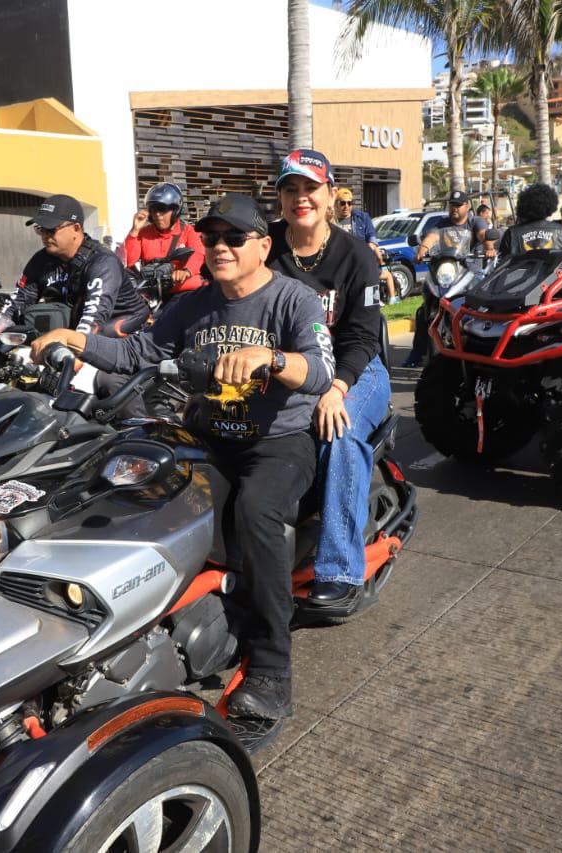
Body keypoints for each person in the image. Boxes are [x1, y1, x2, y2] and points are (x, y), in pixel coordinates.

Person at [30, 192, 335, 721]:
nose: (220, 247)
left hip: (277, 443)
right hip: (207, 437)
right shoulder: (192, 304)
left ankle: (271, 668)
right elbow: (136, 353)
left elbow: (321, 370)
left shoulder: (295, 300)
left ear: (263, 245)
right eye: (212, 238)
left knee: (256, 513)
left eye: (233, 238)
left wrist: (272, 357)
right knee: (129, 491)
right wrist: (74, 339)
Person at [267, 149, 389, 613]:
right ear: (279, 197)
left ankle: (340, 570)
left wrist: (337, 389)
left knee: (340, 432)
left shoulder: (356, 254)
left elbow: (362, 336)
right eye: (290, 188)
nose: (301, 198)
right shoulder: (264, 246)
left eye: (310, 188)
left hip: (355, 370)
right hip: (287, 368)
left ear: (330, 194)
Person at [8, 193, 149, 337]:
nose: (45, 236)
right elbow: (17, 302)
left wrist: (70, 348)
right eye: (41, 229)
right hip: (81, 330)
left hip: (122, 335)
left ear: (76, 228)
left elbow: (93, 319)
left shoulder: (102, 262)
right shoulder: (41, 260)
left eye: (51, 229)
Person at [404, 190, 492, 367]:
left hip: (468, 273)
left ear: (467, 206)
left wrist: (489, 247)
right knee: (423, 312)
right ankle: (417, 353)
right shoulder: (442, 224)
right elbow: (432, 236)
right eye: (452, 205)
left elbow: (483, 234)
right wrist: (422, 250)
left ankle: (480, 350)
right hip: (444, 272)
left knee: (479, 310)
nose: (455, 209)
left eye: (458, 205)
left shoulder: (475, 222)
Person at [124, 182, 206, 302]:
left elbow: (198, 255)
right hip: (152, 295)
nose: (157, 214)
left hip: (184, 293)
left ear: (175, 210)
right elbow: (128, 261)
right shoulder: (144, 233)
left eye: (162, 209)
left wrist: (186, 271)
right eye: (153, 209)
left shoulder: (189, 232)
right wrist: (135, 230)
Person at [333, 187, 396, 303]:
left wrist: (362, 253)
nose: (346, 206)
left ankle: (376, 303)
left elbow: (372, 239)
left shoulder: (362, 217)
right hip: (339, 262)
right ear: (336, 203)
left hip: (361, 260)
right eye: (342, 203)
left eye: (349, 203)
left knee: (369, 283)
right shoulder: (330, 219)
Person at [495, 184, 562, 256]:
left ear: (523, 206)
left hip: (521, 269)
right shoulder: (560, 231)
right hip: (551, 269)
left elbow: (503, 261)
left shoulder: (512, 233)